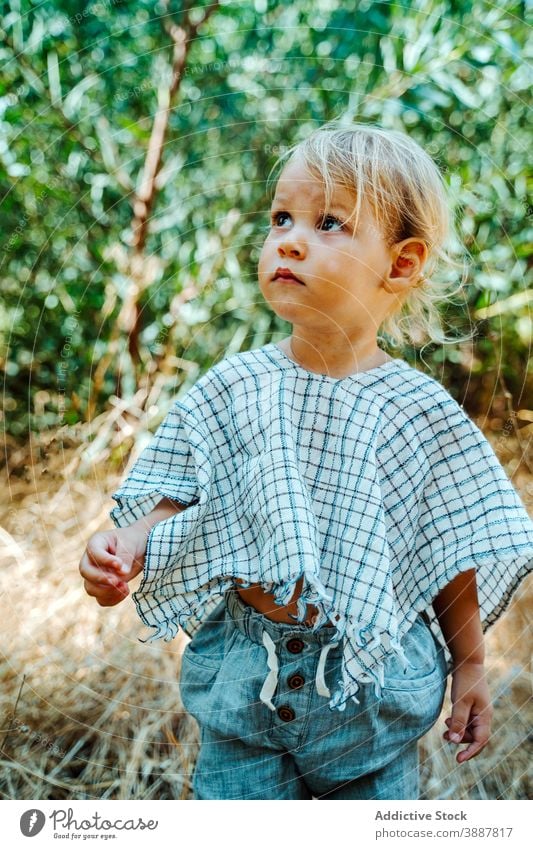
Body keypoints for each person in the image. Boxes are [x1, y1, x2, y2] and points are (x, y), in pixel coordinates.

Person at [79, 121, 533, 800]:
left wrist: (470, 665)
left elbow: (446, 553)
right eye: (281, 217)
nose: (288, 238)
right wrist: (126, 546)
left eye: (328, 223)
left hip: (372, 702)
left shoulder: (416, 410)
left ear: (401, 264)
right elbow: (178, 493)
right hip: (246, 688)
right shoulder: (234, 387)